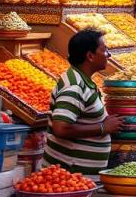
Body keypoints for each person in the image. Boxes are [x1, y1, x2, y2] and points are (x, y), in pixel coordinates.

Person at [42, 29, 122, 178]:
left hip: (78, 177)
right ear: (90, 56)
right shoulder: (75, 87)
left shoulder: (83, 80)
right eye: (104, 50)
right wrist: (103, 127)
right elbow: (61, 129)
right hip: (68, 178)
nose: (108, 55)